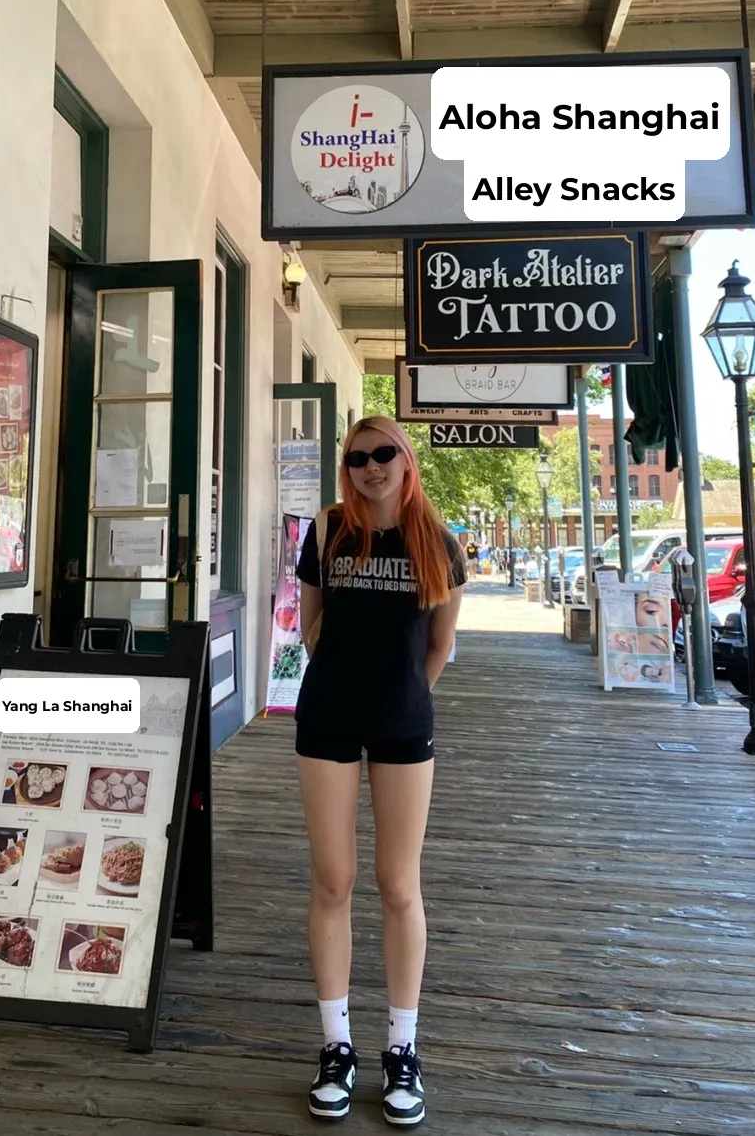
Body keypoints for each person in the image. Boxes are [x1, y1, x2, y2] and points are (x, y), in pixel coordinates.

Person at [295, 416, 466, 1126]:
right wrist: (344, 680)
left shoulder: (439, 541)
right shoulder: (329, 531)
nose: (370, 466)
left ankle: (403, 1047)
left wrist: (402, 692)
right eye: (358, 457)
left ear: (406, 459)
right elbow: (310, 626)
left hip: (403, 721)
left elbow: (441, 645)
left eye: (383, 454)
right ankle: (337, 1045)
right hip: (327, 718)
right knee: (333, 880)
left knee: (399, 885)